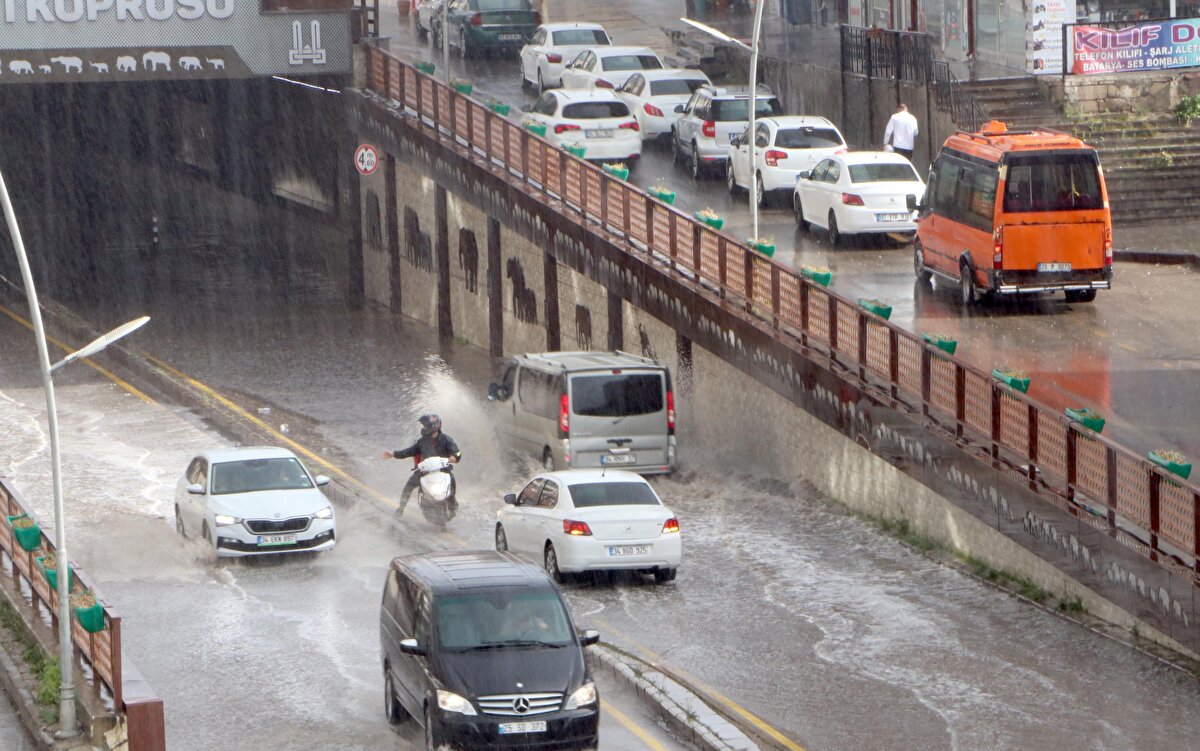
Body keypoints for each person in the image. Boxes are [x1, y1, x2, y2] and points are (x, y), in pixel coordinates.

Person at [380, 413, 462, 515]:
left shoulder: (447, 440)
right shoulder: (421, 442)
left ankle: (452, 503)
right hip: (425, 471)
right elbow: (409, 451)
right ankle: (401, 507)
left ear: (433, 427)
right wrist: (393, 454)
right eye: (424, 426)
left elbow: (457, 452)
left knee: (451, 480)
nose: (424, 428)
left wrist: (454, 457)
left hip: (443, 470)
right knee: (409, 485)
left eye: (426, 426)